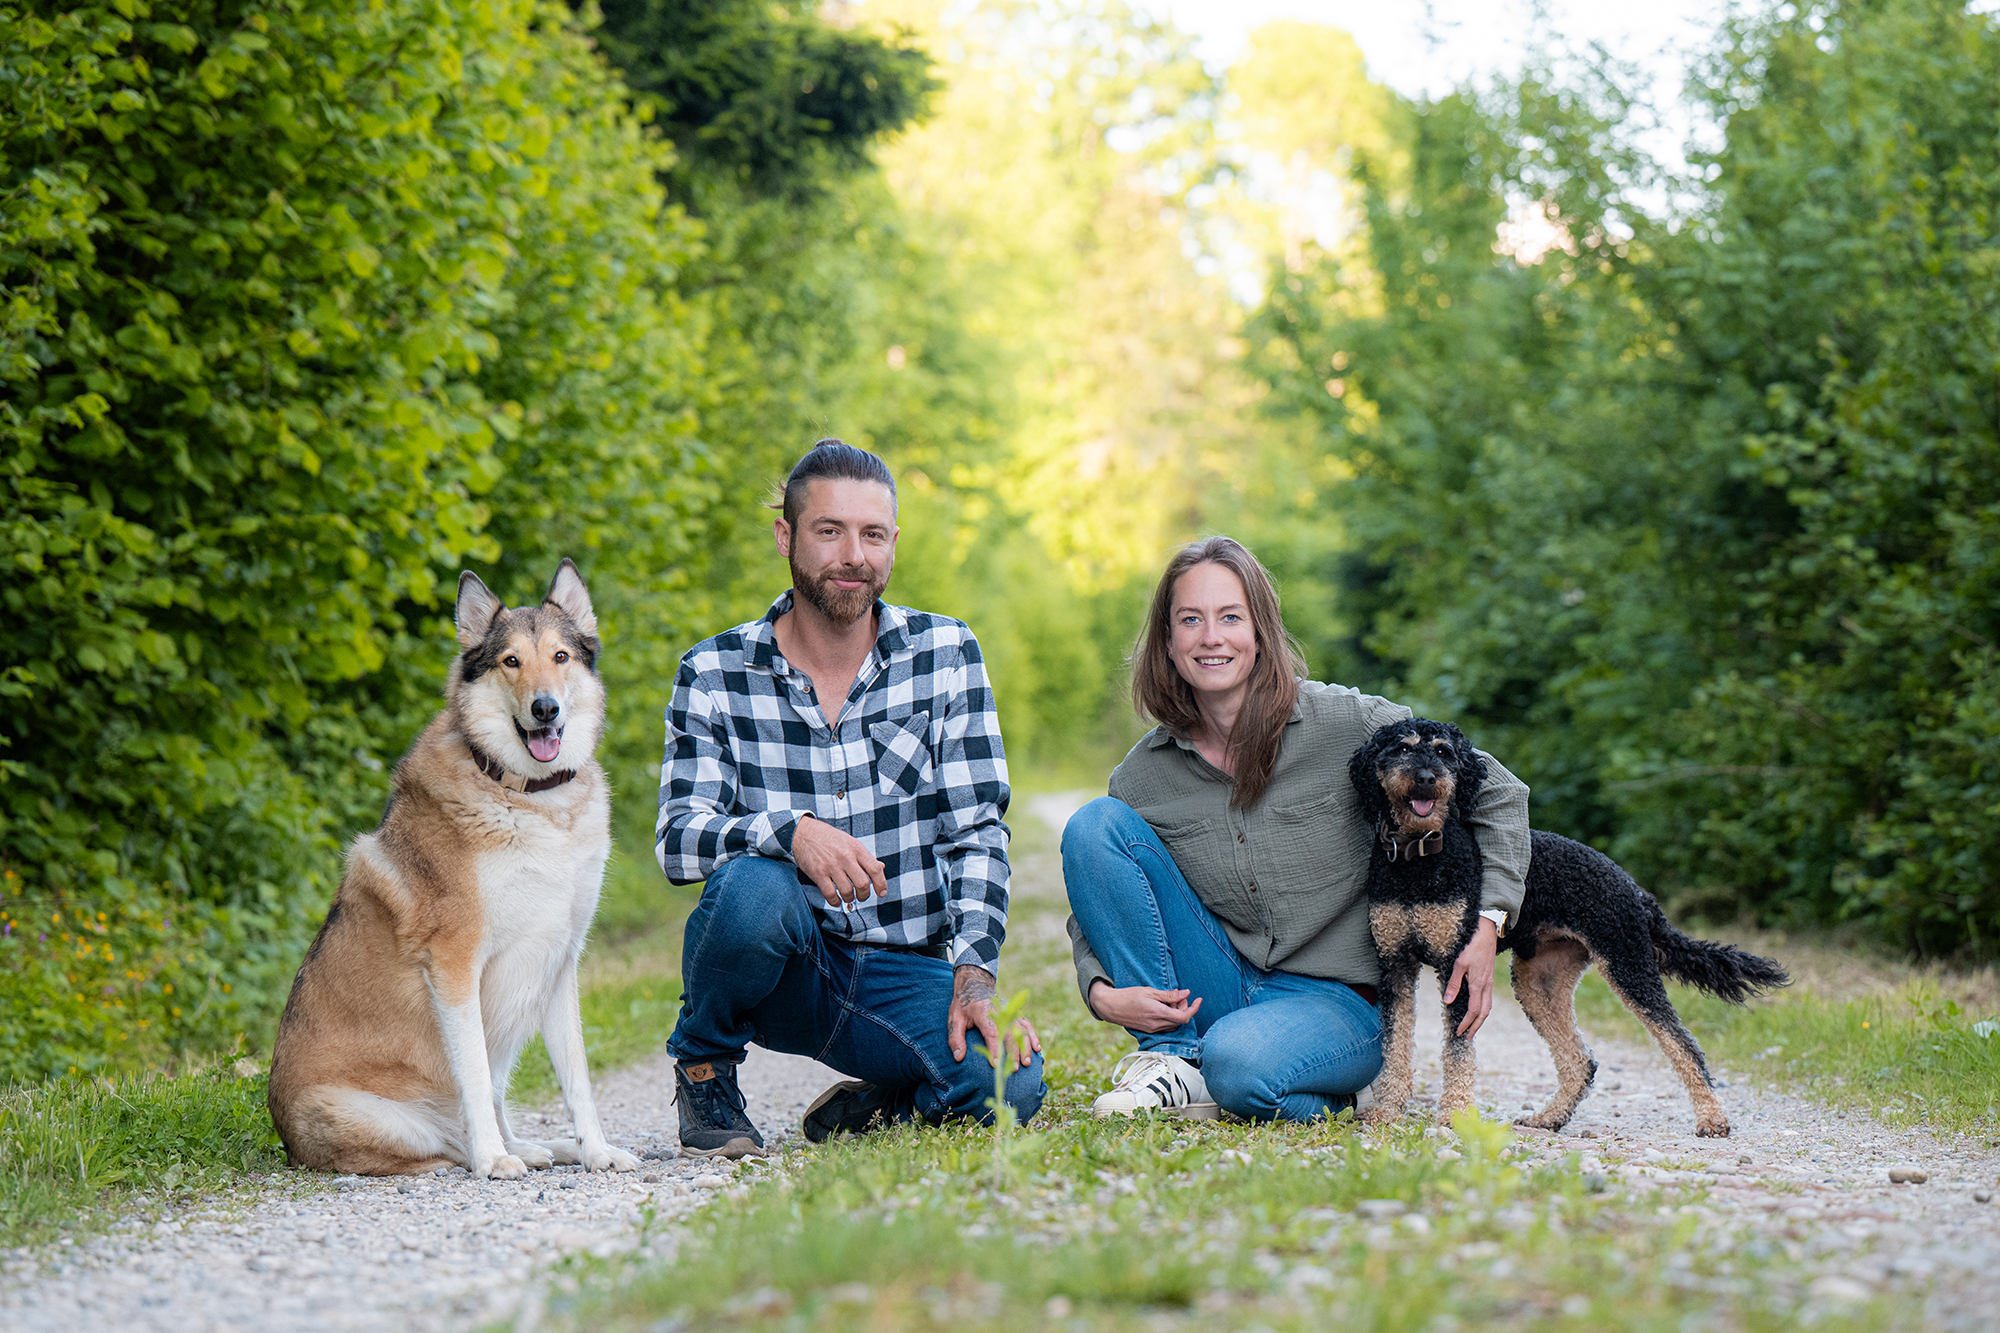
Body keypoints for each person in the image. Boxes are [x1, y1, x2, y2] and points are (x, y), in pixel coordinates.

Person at [657, 439, 1045, 1158]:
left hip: (901, 971)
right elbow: (678, 839)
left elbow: (977, 833)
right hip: (781, 967)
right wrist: (791, 832)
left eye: (872, 535)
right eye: (829, 531)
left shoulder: (947, 655)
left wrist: (974, 976)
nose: (852, 555)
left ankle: (880, 1102)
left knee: (1011, 1086)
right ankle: (705, 1066)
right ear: (787, 536)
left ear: (893, 542)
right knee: (751, 886)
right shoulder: (713, 671)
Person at [1064, 536, 1531, 1122]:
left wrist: (1488, 922)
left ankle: (1315, 1082)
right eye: (1191, 620)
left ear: (1261, 631)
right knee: (1094, 826)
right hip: (1218, 981)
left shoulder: (1347, 722)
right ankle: (1172, 1060)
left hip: (1339, 999)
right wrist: (1102, 993)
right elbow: (1100, 903)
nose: (1212, 637)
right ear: (1168, 641)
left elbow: (1500, 792)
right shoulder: (1144, 776)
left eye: (1231, 617)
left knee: (1240, 1067)